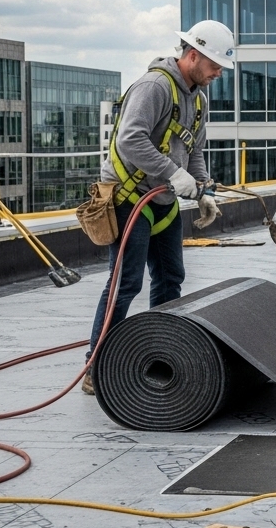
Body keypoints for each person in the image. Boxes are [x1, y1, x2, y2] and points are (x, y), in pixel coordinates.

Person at [84, 20, 232, 394]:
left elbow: (194, 150)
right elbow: (130, 140)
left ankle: (160, 355)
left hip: (163, 199)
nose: (217, 73)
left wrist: (201, 191)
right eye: (214, 65)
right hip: (129, 198)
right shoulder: (155, 87)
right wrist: (173, 173)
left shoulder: (198, 98)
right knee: (125, 284)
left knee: (170, 280)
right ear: (193, 55)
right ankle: (96, 368)